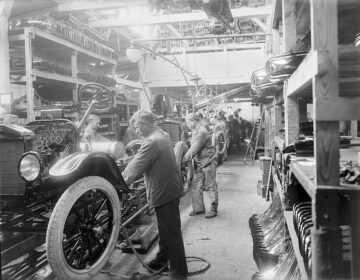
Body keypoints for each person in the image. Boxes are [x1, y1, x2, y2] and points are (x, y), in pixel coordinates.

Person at [122, 110, 188, 280]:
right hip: (171, 189)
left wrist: (118, 184)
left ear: (145, 124)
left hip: (163, 191)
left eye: (137, 127)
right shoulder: (162, 134)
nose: (136, 131)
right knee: (166, 230)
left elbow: (135, 168)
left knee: (171, 232)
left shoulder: (152, 142)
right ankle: (161, 261)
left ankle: (179, 273)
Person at [183, 113, 218, 218]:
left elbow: (193, 149)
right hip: (199, 163)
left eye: (188, 122)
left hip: (207, 163)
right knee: (196, 185)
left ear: (194, 121)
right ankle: (199, 209)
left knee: (210, 185)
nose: (187, 124)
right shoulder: (196, 131)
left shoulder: (202, 132)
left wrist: (181, 160)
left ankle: (213, 209)